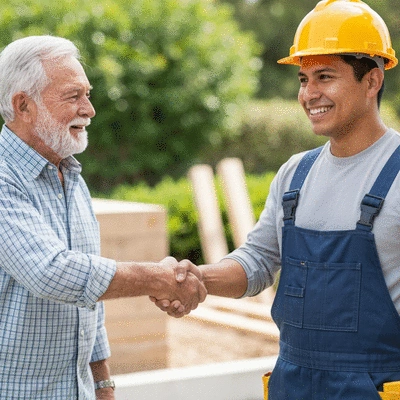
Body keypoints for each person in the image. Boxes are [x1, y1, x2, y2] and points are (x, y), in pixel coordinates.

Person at [153, 0, 400, 398]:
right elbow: (258, 261)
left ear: (372, 80)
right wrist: (195, 278)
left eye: (325, 76)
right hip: (295, 385)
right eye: (303, 79)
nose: (309, 94)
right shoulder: (295, 175)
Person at [0, 35, 206, 400]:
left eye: (88, 94)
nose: (89, 109)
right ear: (23, 105)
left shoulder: (70, 176)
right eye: (73, 96)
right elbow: (53, 272)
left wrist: (103, 384)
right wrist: (157, 278)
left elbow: (87, 298)